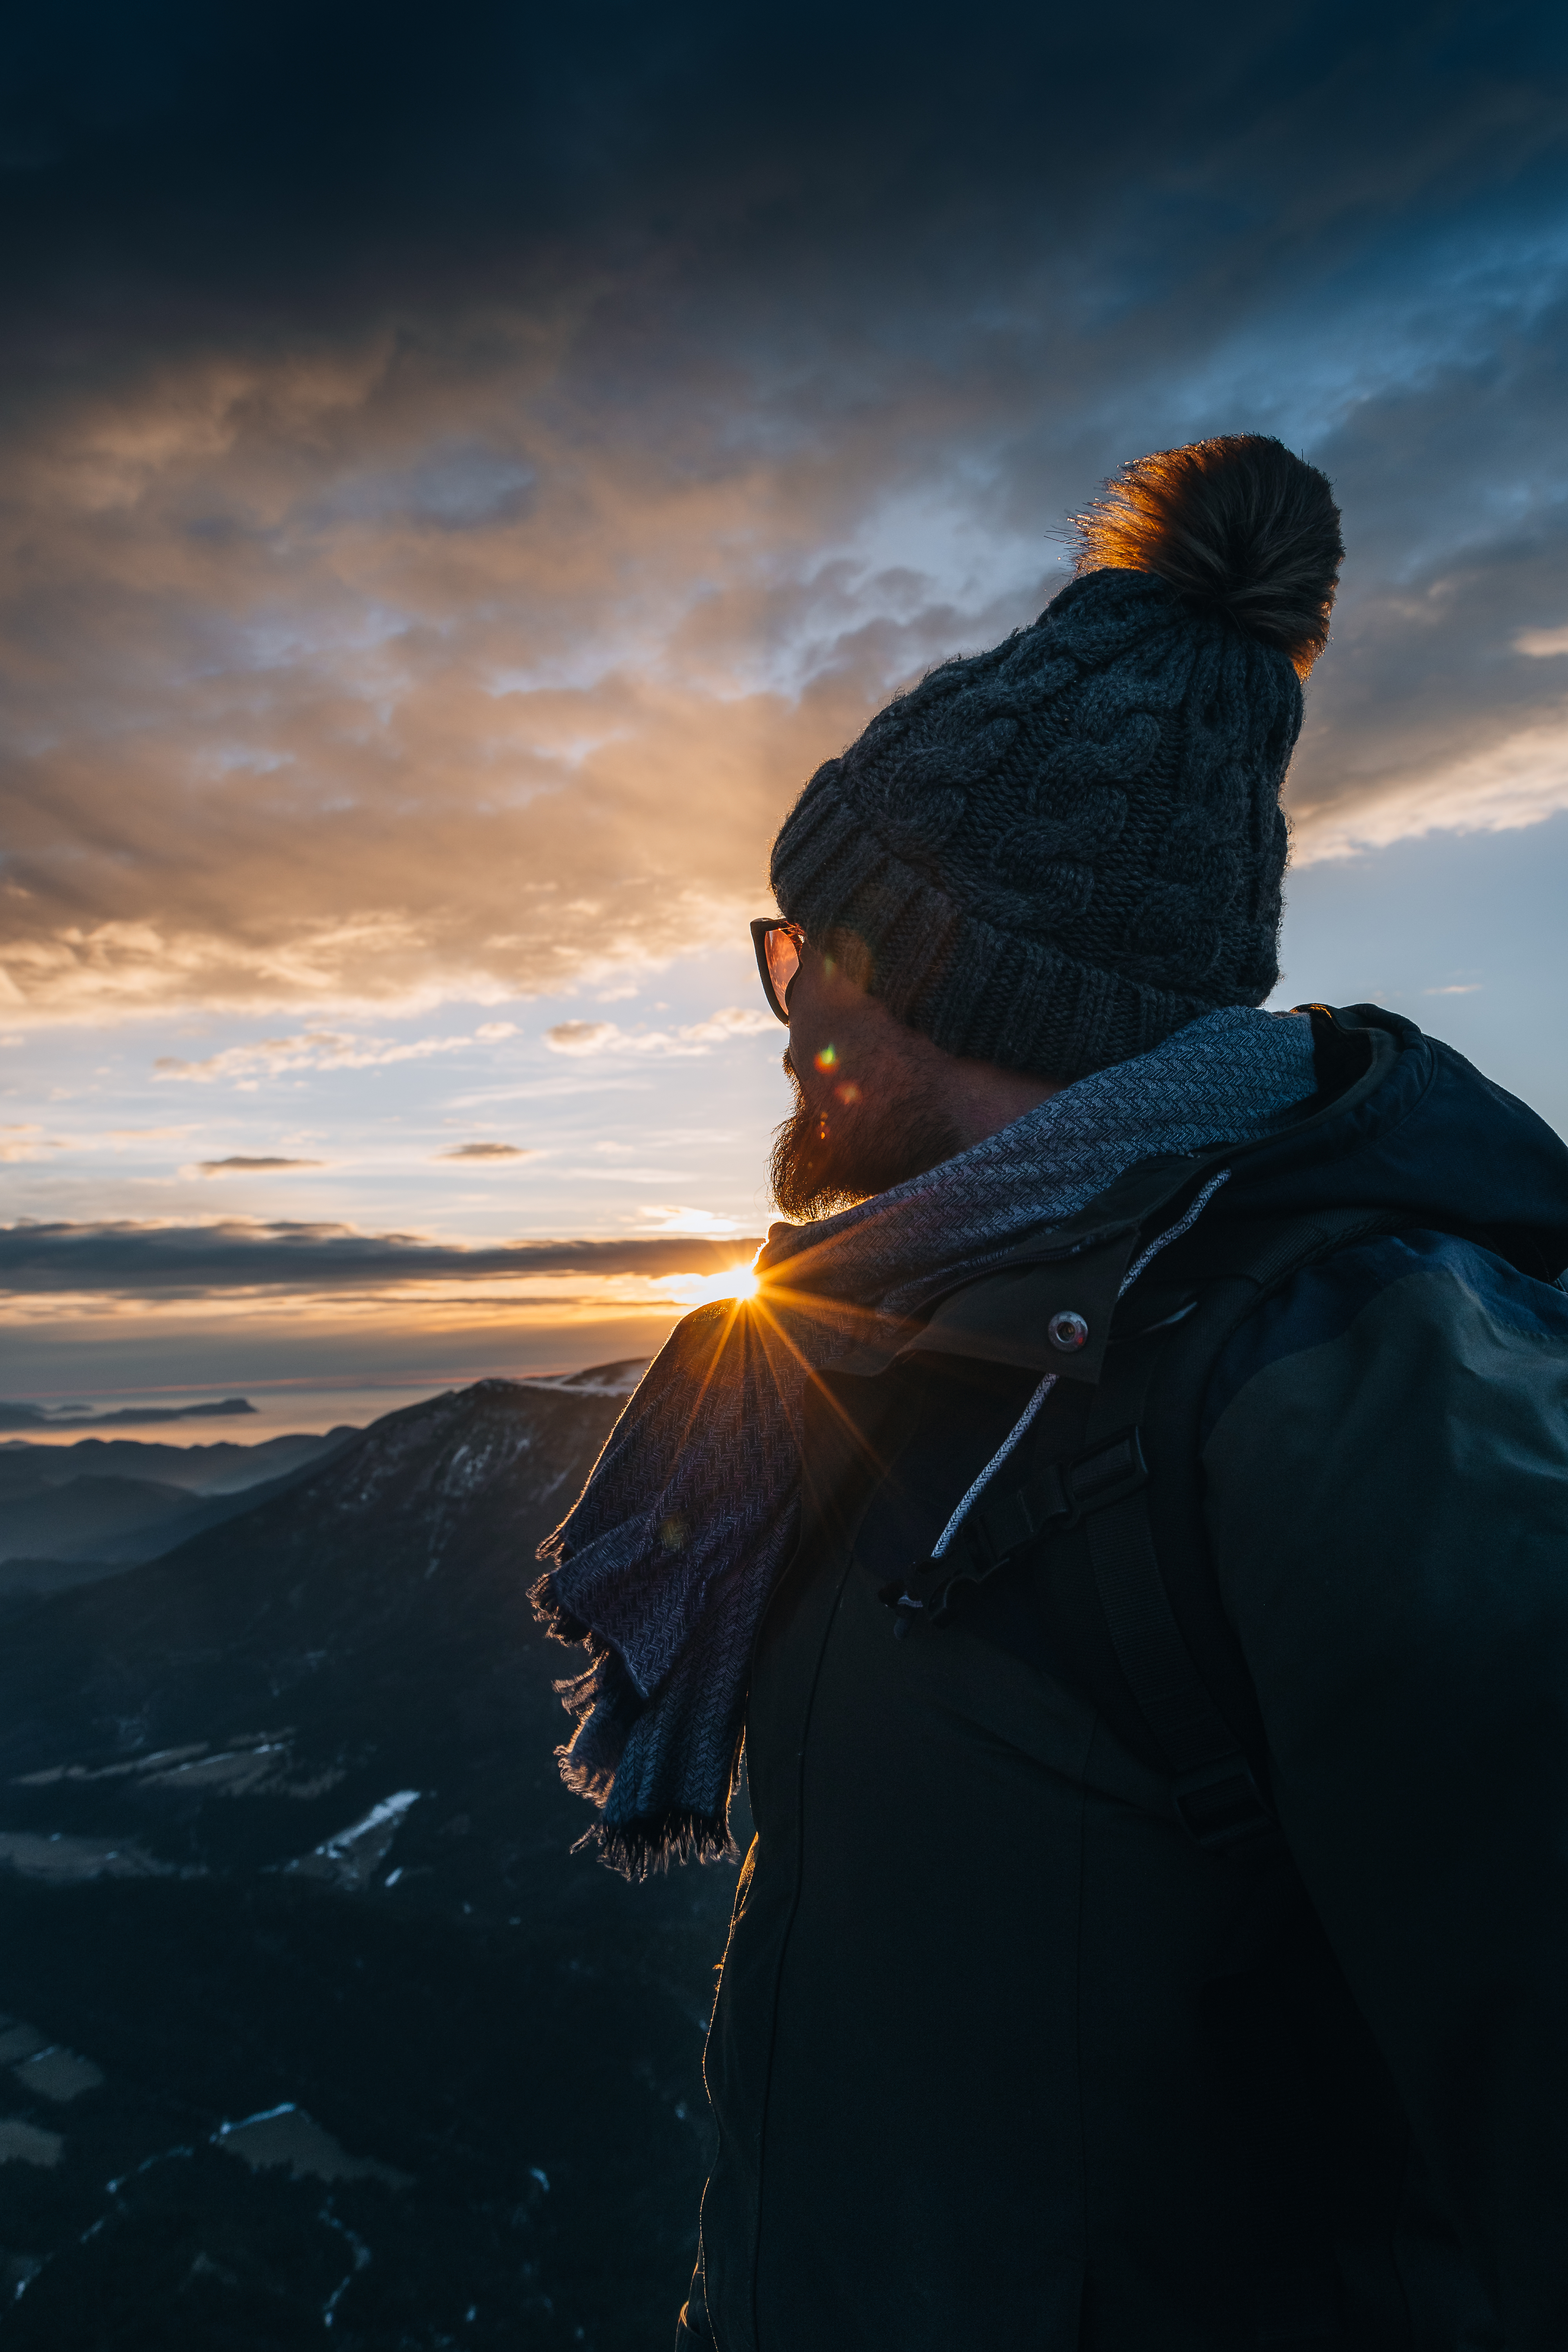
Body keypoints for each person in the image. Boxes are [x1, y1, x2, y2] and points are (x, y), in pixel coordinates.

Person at [532, 434, 1568, 2351]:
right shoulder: (927, 1341)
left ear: (950, 983)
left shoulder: (1347, 1388)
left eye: (806, 949)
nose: (782, 1002)